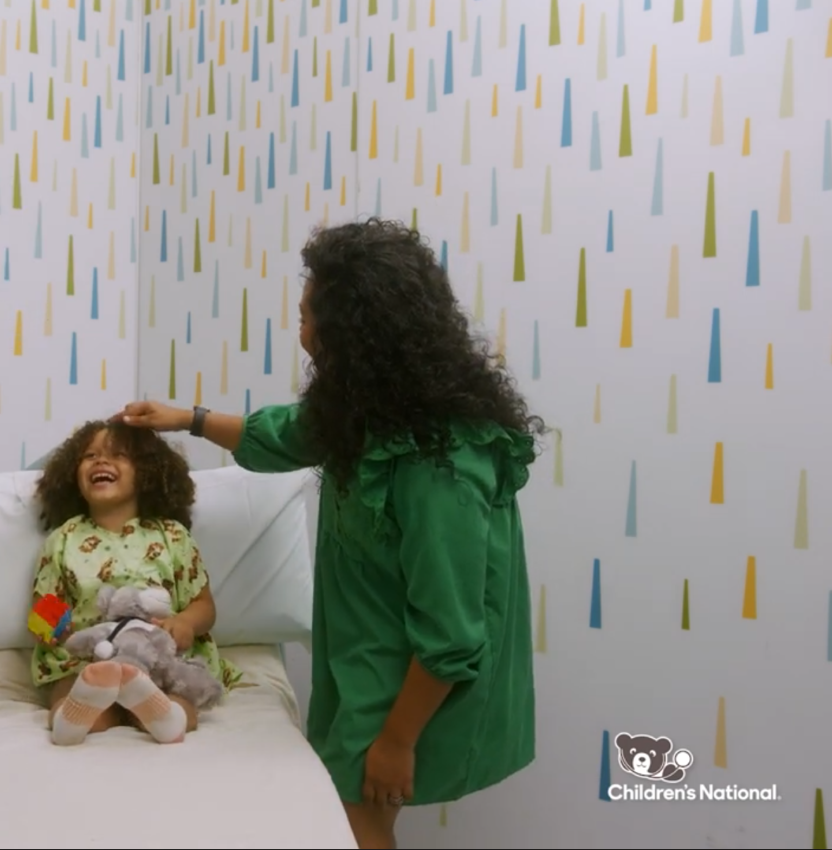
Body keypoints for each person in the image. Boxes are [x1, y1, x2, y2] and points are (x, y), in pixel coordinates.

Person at [116, 218, 542, 850]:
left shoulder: (438, 465)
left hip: (409, 685)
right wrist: (190, 418)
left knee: (355, 823)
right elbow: (287, 434)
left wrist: (398, 740)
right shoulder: (371, 409)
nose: (301, 329)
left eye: (310, 316)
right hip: (369, 660)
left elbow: (453, 634)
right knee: (350, 819)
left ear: (356, 336)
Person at [28, 421, 244, 746]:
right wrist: (58, 630)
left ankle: (166, 715)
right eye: (90, 456)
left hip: (159, 656)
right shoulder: (64, 538)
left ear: (146, 472)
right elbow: (44, 607)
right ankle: (72, 719)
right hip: (91, 656)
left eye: (118, 455)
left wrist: (184, 622)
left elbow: (203, 605)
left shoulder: (171, 536)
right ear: (73, 475)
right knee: (73, 686)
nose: (101, 461)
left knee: (181, 696)